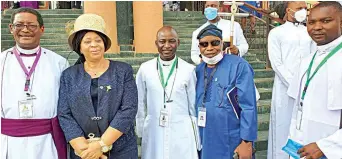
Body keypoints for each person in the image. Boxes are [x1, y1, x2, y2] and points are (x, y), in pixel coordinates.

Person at [57, 14, 138, 159]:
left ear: (104, 44)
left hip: (121, 149)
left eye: (98, 40)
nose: (94, 45)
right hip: (83, 150)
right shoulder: (68, 75)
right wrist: (84, 149)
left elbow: (128, 109)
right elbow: (64, 113)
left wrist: (101, 145)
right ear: (79, 47)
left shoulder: (123, 70)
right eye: (87, 41)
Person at [0, 8, 68, 159]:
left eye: (31, 25)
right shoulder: (1, 61)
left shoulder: (59, 62)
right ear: (11, 28)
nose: (25, 30)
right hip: (8, 142)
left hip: (47, 142)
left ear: (42, 29)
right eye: (19, 25)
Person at [286, 2, 342, 159]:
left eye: (326, 21)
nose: (316, 27)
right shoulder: (307, 61)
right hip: (302, 147)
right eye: (311, 22)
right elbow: (298, 108)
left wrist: (325, 147)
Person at [136, 26, 199, 159]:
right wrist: (141, 128)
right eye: (162, 41)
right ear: (156, 43)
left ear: (178, 43)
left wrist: (196, 133)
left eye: (171, 41)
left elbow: (193, 105)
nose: (167, 46)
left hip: (182, 127)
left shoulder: (188, 69)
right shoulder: (145, 69)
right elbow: (140, 101)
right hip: (154, 127)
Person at [195, 24, 257, 159]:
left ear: (222, 43)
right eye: (204, 44)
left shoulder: (239, 66)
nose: (209, 48)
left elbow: (248, 106)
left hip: (231, 139)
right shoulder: (197, 71)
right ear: (199, 47)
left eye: (215, 43)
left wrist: (247, 142)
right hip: (204, 138)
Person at [267, 2, 317, 159]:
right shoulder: (277, 33)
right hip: (285, 88)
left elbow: (314, 57)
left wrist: (307, 84)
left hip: (307, 88)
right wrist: (295, 84)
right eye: (299, 8)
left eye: (305, 8)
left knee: (303, 127)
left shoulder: (309, 32)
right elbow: (276, 63)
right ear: (288, 11)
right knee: (283, 126)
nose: (303, 11)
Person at [191, 1, 249, 65]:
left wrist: (237, 50)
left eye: (213, 6)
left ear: (220, 8)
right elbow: (194, 54)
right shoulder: (198, 32)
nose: (210, 8)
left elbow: (244, 45)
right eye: (207, 6)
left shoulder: (234, 25)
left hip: (230, 64)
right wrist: (201, 61)